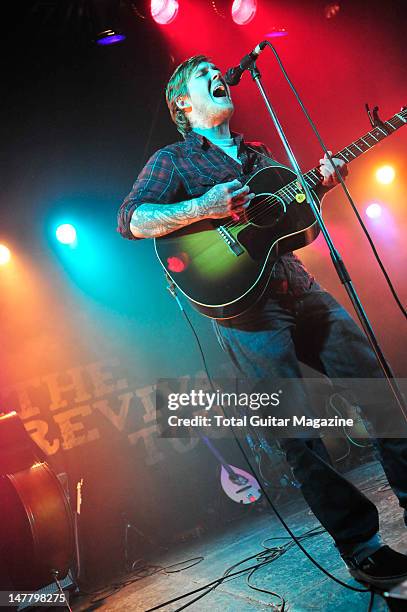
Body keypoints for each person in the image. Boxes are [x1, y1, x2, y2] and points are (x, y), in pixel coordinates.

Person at [117, 55, 407, 589]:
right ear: (182, 102)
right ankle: (363, 549)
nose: (217, 76)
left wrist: (315, 189)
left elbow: (294, 231)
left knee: (384, 398)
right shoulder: (175, 159)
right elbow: (131, 218)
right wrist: (200, 205)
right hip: (246, 312)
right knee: (299, 433)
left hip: (299, 288)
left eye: (216, 70)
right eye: (202, 75)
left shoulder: (260, 155)